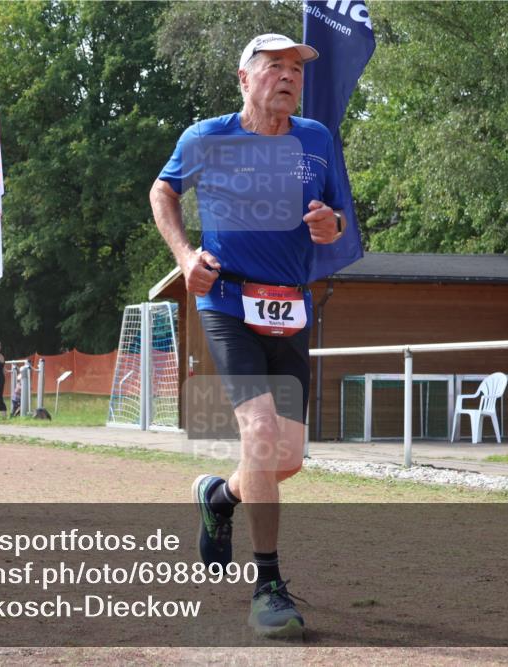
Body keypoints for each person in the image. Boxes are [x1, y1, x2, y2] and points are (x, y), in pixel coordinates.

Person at [150, 33, 345, 638]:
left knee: (284, 460)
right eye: (275, 67)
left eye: (296, 69)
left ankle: (219, 496)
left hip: (290, 308)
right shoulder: (206, 138)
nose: (289, 77)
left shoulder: (316, 139)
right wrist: (185, 257)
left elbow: (337, 218)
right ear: (244, 78)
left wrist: (327, 226)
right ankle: (268, 586)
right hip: (228, 299)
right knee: (260, 433)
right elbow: (162, 191)